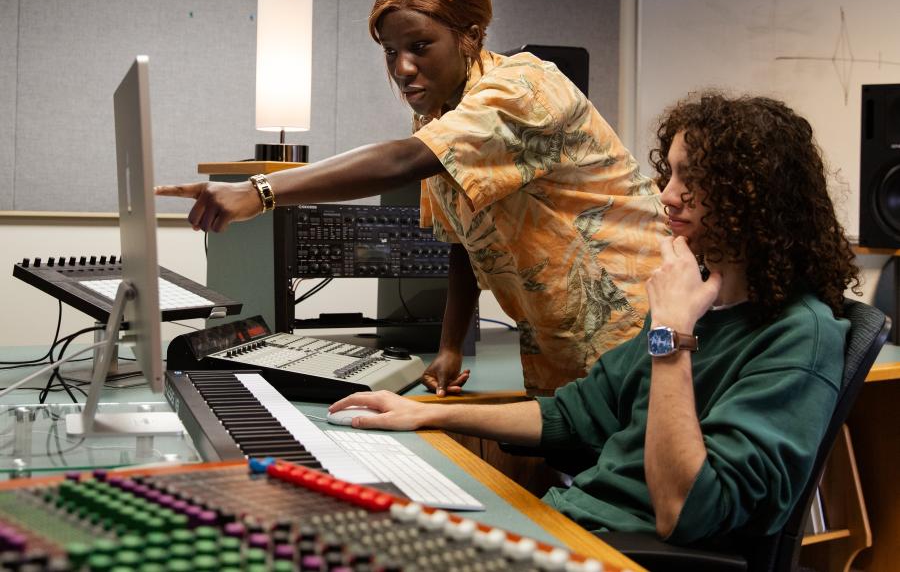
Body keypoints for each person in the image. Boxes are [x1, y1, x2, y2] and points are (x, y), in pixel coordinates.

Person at [327, 92, 862, 544]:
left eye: (692, 179)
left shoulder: (799, 335)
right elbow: (574, 413)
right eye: (670, 173)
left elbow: (686, 510)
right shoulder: (697, 307)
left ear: (752, 197)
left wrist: (671, 335)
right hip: (573, 522)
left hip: (619, 551)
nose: (666, 195)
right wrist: (426, 415)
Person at [156, 0, 666, 397]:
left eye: (420, 46)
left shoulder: (522, 89)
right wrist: (449, 348)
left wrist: (260, 191)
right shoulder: (438, 117)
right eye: (390, 51)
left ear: (470, 36)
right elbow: (465, 242)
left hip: (635, 325)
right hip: (563, 339)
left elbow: (403, 160)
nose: (401, 68)